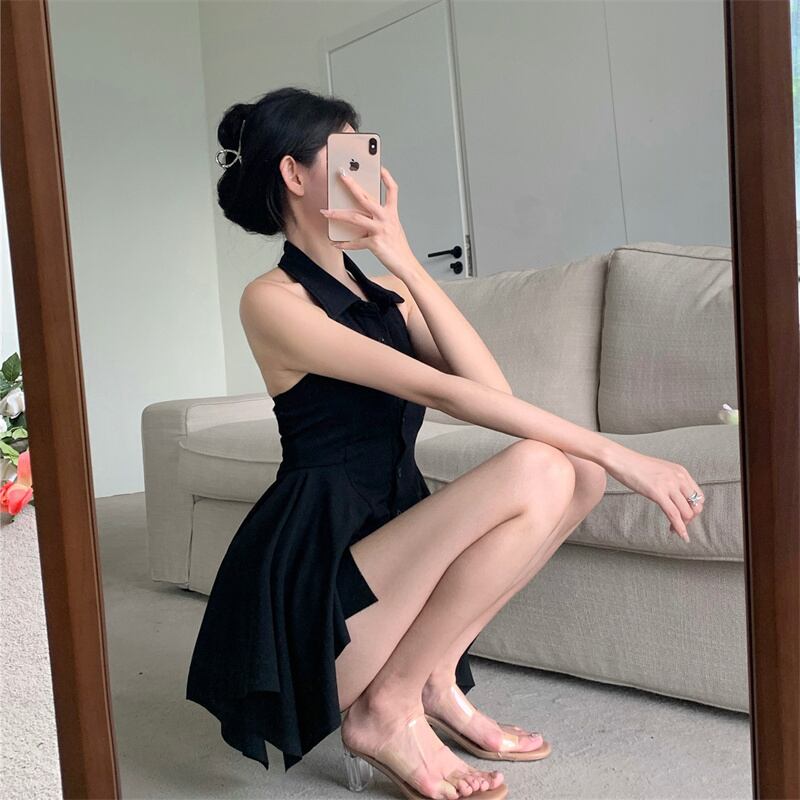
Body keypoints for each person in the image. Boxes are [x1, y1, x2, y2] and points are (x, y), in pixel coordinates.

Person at [186, 86, 704, 800]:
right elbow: (447, 394)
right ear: (293, 174)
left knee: (575, 474)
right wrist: (620, 451)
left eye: (368, 153)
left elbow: (491, 390)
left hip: (390, 546)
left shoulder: (381, 295)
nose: (366, 171)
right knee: (548, 464)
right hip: (323, 592)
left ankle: (428, 680)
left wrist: (401, 258)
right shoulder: (272, 301)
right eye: (345, 154)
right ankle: (384, 710)